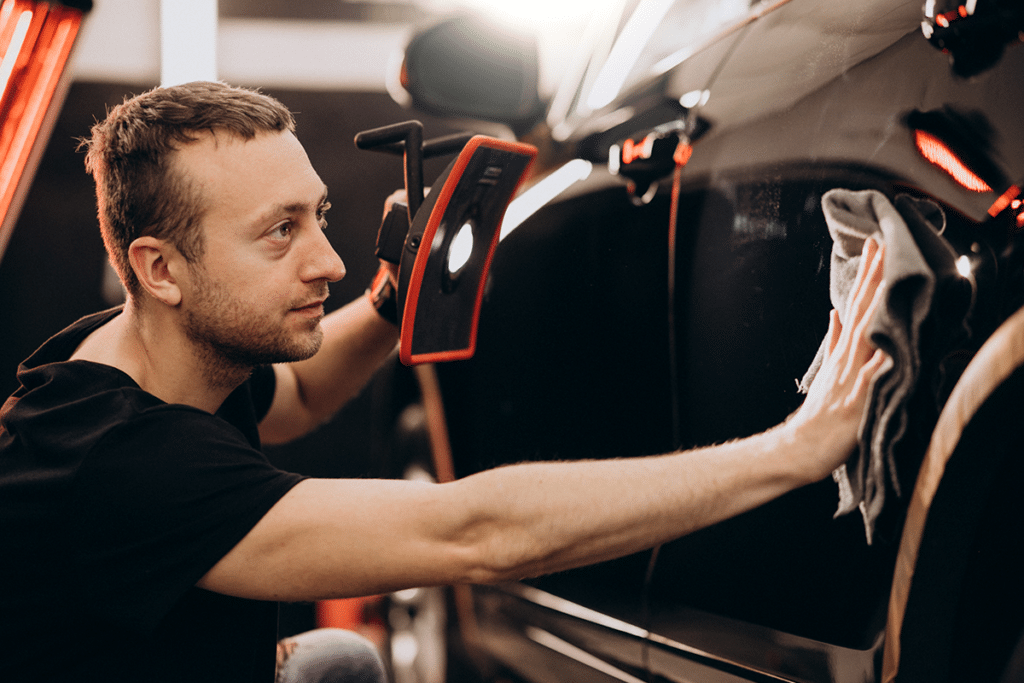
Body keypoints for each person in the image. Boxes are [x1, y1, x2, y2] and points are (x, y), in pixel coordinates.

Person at [0, 81, 886, 683]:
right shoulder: (118, 468)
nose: (330, 260)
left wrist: (393, 300)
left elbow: (298, 399)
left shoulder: (141, 354)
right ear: (160, 268)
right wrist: (793, 448)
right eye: (279, 233)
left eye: (321, 215)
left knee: (340, 660)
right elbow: (479, 534)